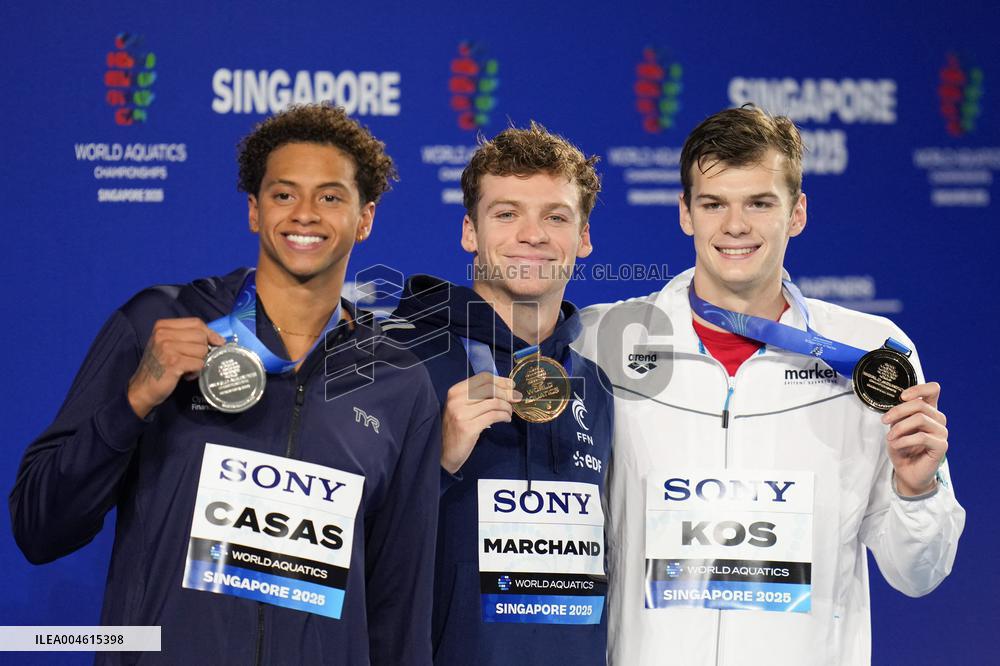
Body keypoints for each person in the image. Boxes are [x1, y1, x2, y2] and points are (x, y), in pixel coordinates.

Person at [9, 104, 441, 665]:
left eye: (331, 196)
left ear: (366, 218)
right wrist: (135, 400)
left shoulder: (399, 383)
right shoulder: (158, 324)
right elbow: (39, 528)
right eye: (284, 194)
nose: (305, 215)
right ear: (254, 211)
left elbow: (398, 607)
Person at [574, 106, 965, 665]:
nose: (736, 226)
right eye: (714, 204)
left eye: (760, 203)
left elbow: (917, 574)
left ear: (797, 212)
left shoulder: (874, 354)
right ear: (685, 213)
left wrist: (917, 490)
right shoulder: (606, 339)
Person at [384, 122, 613, 665]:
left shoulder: (597, 388)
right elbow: (341, 543)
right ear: (470, 231)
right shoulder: (398, 361)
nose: (532, 235)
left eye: (555, 216)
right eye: (506, 214)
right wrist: (434, 464)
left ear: (582, 238)